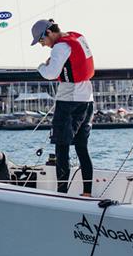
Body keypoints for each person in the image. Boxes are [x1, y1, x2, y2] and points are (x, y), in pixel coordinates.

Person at [31, 19, 95, 196]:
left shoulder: (60, 47)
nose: (43, 45)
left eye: (42, 41)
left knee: (61, 147)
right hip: (87, 100)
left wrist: (41, 66)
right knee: (82, 148)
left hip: (69, 101)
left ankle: (62, 194)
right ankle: (87, 192)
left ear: (49, 33)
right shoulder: (77, 37)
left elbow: (51, 73)